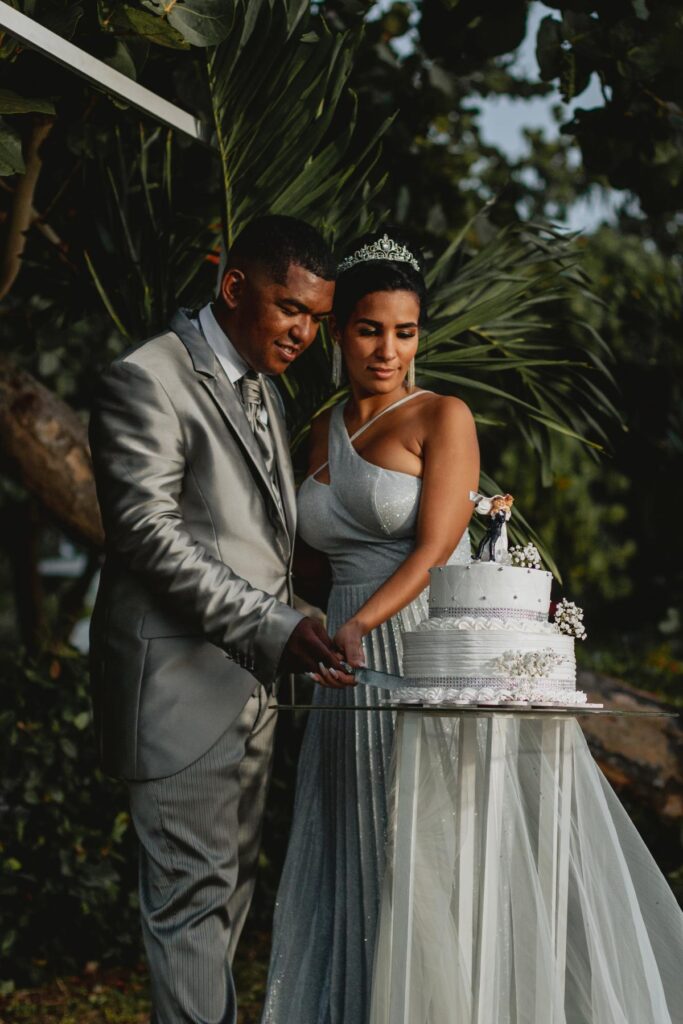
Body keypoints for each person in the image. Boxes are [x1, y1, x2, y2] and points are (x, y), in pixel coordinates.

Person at [88, 215, 354, 1024]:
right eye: (288, 309)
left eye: (314, 317)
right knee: (191, 912)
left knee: (222, 908)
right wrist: (277, 630)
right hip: (177, 697)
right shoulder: (148, 376)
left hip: (250, 699)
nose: (304, 332)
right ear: (234, 287)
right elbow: (148, 538)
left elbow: (258, 549)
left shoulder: (266, 390)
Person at [261, 230, 480, 1023]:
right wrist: (310, 627)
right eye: (368, 329)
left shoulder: (440, 416)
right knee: (348, 849)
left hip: (409, 648)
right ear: (337, 330)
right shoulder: (311, 434)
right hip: (338, 666)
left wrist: (357, 625)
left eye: (405, 331)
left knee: (420, 849)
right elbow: (296, 562)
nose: (387, 350)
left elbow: (436, 545)